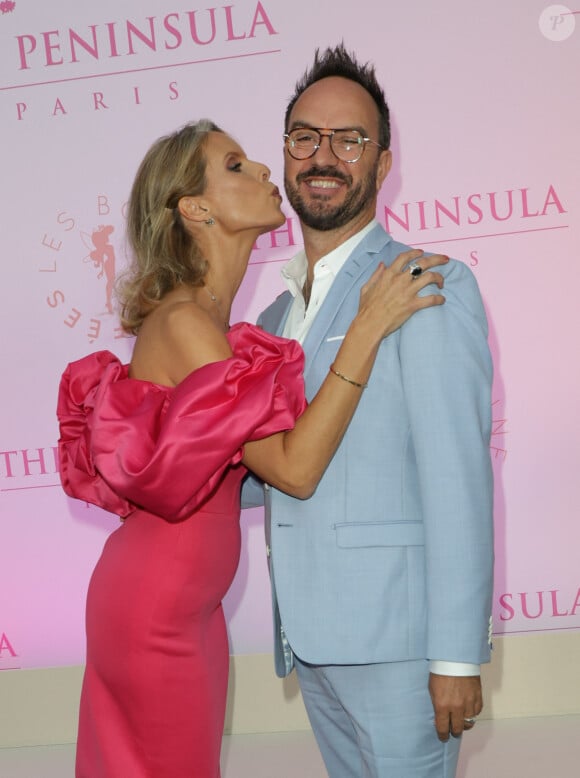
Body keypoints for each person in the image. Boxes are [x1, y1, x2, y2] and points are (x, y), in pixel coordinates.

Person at [56, 119, 447, 777]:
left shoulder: (213, 326)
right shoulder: (184, 322)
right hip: (155, 614)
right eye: (236, 165)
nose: (266, 170)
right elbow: (293, 469)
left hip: (183, 610)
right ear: (196, 208)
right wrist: (368, 327)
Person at [244, 44, 494, 778]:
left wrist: (454, 653)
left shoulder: (424, 282)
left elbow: (458, 478)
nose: (324, 156)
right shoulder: (270, 314)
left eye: (349, 139)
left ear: (382, 165)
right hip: (313, 644)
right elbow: (279, 471)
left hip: (401, 647)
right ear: (285, 155)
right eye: (304, 137)